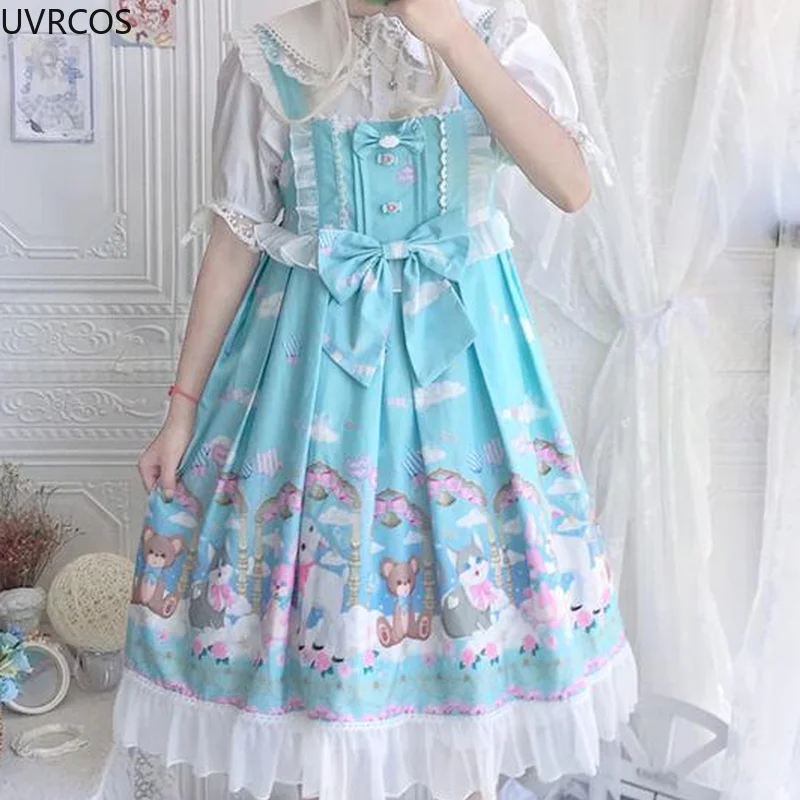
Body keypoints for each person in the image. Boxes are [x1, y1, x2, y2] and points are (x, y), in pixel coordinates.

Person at [105, 0, 638, 797]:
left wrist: (448, 32)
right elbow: (234, 239)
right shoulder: (270, 54)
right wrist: (181, 409)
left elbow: (569, 183)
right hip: (308, 381)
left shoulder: (496, 32)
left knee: (464, 592)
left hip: (466, 377)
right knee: (327, 580)